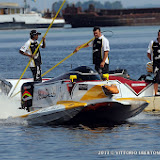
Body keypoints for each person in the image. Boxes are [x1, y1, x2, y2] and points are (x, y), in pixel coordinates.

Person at [147, 30, 160, 96]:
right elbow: (148, 53)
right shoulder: (153, 42)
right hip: (155, 63)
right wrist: (152, 61)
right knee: (156, 78)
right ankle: (155, 92)